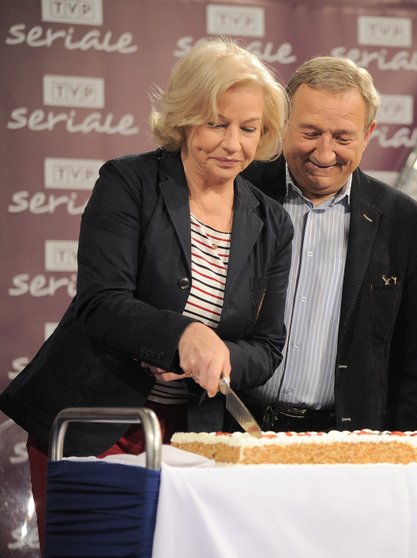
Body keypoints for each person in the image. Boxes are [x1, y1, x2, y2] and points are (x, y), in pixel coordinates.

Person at [0, 37, 294, 552]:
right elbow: (100, 301)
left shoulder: (272, 222)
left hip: (194, 438)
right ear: (185, 119)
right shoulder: (128, 181)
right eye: (217, 124)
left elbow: (267, 348)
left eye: (249, 129)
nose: (233, 143)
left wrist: (218, 357)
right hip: (97, 422)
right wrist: (182, 337)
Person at [240, 56, 417, 433]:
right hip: (235, 424)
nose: (324, 154)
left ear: (368, 133)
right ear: (283, 121)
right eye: (310, 133)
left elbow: (414, 357)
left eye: (343, 138)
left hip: (348, 441)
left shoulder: (403, 220)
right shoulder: (239, 191)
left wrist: (401, 444)